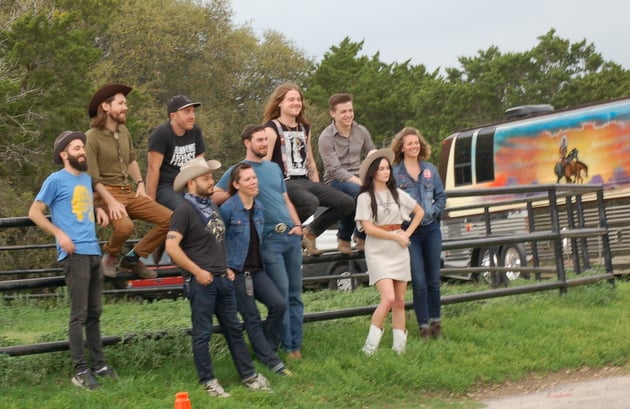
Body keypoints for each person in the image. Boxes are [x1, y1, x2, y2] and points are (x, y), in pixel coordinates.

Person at [165, 157, 272, 398]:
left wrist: (225, 267)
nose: (211, 181)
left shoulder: (211, 205)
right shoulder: (184, 210)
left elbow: (217, 240)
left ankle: (249, 375)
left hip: (222, 278)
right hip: (202, 282)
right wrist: (197, 272)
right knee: (202, 333)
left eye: (210, 177)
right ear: (191, 183)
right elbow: (171, 247)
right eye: (206, 178)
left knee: (234, 329)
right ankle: (208, 381)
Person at [28, 131, 118, 390]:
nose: (82, 151)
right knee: (79, 314)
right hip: (73, 254)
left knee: (95, 312)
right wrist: (59, 234)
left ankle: (99, 365)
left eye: (83, 147)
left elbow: (81, 205)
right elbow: (34, 212)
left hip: (93, 251)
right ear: (64, 154)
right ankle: (80, 371)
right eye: (77, 148)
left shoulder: (87, 179)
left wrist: (98, 209)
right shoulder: (55, 180)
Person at [214, 124, 305, 360]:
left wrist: (298, 226)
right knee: (281, 294)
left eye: (266, 139)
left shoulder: (274, 168)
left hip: (291, 236)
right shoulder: (238, 170)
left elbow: (285, 199)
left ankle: (296, 344)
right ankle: (285, 347)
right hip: (269, 240)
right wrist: (237, 191)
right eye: (260, 140)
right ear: (247, 143)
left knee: (295, 294)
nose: (264, 144)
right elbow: (214, 194)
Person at [85, 83, 172, 279]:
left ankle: (132, 259)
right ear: (106, 107)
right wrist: (110, 202)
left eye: (125, 103)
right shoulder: (91, 137)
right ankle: (110, 255)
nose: (126, 107)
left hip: (128, 191)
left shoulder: (124, 132)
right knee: (125, 227)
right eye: (120, 103)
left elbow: (131, 160)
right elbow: (93, 178)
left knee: (170, 219)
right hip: (105, 193)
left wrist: (140, 184)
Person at [263, 82, 354, 256]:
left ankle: (310, 233)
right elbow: (264, 164)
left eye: (298, 99)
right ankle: (281, 229)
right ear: (279, 103)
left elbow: (310, 161)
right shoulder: (271, 129)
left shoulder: (304, 127)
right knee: (310, 202)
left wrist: (317, 186)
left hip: (303, 180)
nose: (296, 103)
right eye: (291, 99)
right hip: (283, 182)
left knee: (346, 203)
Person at [219, 162, 291, 376]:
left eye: (254, 178)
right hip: (237, 272)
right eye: (247, 179)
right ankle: (273, 362)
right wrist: (225, 268)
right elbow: (218, 240)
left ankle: (267, 348)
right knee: (251, 316)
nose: (253, 182)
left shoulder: (258, 207)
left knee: (278, 305)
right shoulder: (228, 209)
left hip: (257, 270)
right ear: (236, 184)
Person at [355, 149, 424, 355]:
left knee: (400, 301)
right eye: (381, 169)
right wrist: (395, 237)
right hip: (378, 250)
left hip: (398, 249)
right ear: (373, 172)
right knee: (388, 298)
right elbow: (368, 228)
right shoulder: (364, 198)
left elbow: (419, 212)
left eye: (388, 168)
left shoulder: (398, 194)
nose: (386, 172)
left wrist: (406, 234)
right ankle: (370, 348)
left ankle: (399, 349)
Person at [391, 127, 446, 339]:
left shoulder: (430, 170)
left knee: (433, 280)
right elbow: (392, 201)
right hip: (410, 232)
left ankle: (436, 322)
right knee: (419, 282)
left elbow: (441, 197)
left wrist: (433, 211)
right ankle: (423, 326)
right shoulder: (395, 173)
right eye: (410, 144)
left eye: (416, 143)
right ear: (401, 148)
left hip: (431, 229)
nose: (414, 146)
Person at [318, 93, 377, 254]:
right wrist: (360, 182)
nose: (348, 115)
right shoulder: (326, 137)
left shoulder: (361, 131)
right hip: (336, 180)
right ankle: (345, 237)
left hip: (359, 176)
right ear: (333, 113)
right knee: (357, 193)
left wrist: (373, 155)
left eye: (350, 110)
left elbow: (371, 150)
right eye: (343, 111)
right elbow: (334, 170)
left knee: (380, 191)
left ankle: (361, 235)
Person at [146, 94, 206, 211]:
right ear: (173, 115)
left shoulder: (195, 131)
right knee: (186, 211)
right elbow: (153, 168)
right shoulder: (161, 134)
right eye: (187, 112)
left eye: (193, 111)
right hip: (167, 186)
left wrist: (202, 191)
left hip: (189, 184)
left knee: (210, 211)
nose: (192, 116)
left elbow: (200, 164)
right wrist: (150, 204)